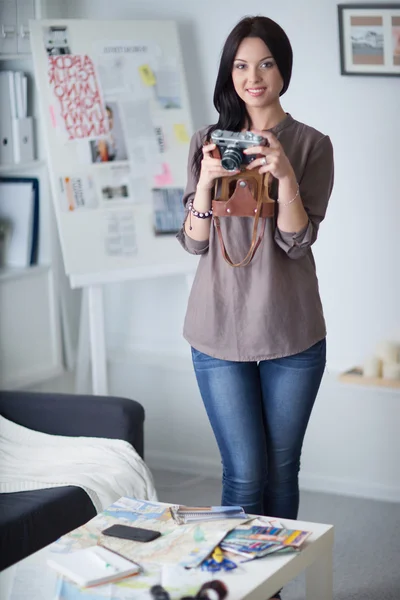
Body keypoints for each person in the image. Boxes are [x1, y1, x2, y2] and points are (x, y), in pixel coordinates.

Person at [177, 15, 334, 599]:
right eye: (241, 65)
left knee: (282, 470)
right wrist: (206, 182)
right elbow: (194, 242)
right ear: (230, 74)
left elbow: (297, 239)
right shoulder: (206, 143)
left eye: (265, 63)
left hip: (292, 333)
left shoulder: (312, 144)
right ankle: (240, 590)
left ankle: (276, 587)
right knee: (244, 474)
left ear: (283, 70)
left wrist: (284, 171)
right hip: (216, 332)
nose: (253, 77)